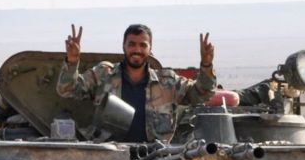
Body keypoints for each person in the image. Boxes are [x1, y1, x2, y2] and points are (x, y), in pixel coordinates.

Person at [56, 24, 216, 142]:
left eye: (142, 45)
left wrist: (206, 65)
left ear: (150, 48)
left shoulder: (168, 82)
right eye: (132, 44)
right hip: (111, 156)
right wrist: (72, 60)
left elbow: (203, 93)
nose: (137, 50)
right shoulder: (104, 74)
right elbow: (67, 90)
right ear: (124, 46)